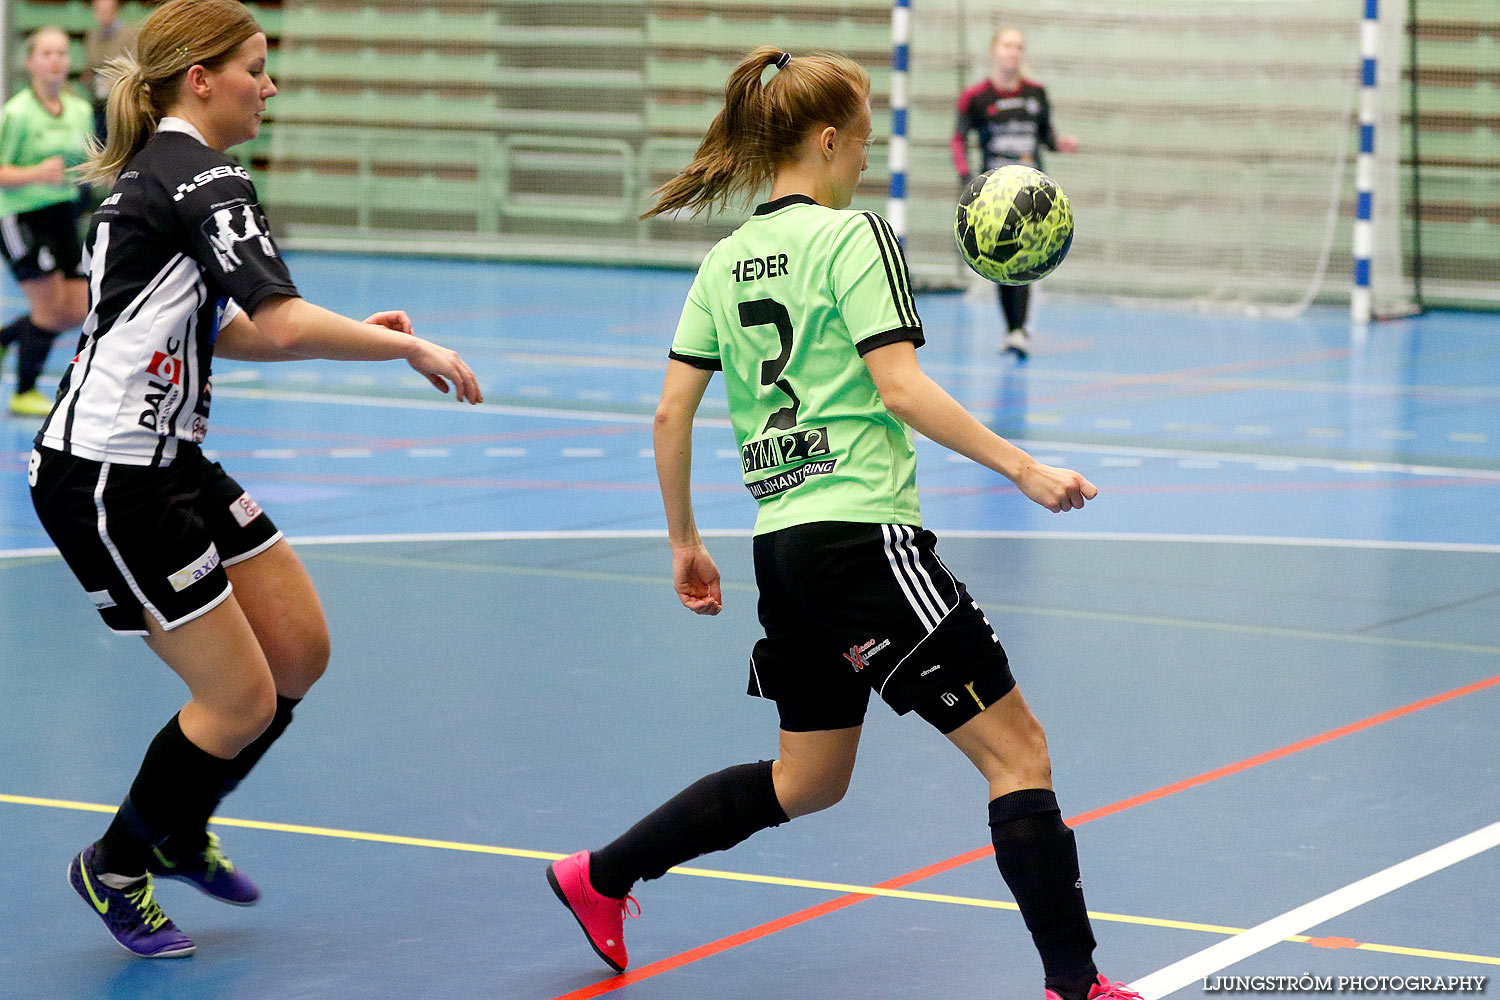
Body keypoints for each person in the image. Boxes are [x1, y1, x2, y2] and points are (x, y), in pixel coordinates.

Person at [546, 46, 1135, 1000]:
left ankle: (598, 876)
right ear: (826, 139)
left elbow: (670, 414)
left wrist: (684, 540)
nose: (866, 155)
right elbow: (896, 386)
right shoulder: (855, 236)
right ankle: (1079, 986)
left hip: (782, 547)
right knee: (1018, 753)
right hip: (864, 541)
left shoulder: (724, 260)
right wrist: (1024, 467)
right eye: (862, 137)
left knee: (807, 782)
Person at [29, 0, 482, 959]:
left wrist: (359, 337)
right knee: (237, 702)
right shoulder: (203, 175)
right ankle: (114, 864)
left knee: (299, 655)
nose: (268, 86)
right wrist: (410, 350)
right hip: (110, 476)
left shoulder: (169, 176)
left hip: (173, 458)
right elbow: (279, 320)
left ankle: (181, 825)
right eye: (256, 68)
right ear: (202, 79)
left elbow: (223, 331)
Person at [953, 28, 1079, 359]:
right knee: (998, 258)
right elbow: (958, 140)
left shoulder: (1036, 94)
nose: (1014, 52)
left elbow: (1046, 136)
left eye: (1019, 46)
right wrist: (965, 177)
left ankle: (1018, 330)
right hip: (993, 198)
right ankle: (1014, 329)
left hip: (1032, 195)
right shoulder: (976, 97)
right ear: (994, 50)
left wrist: (1060, 143)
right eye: (1008, 45)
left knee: (1027, 256)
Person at [0, 27, 93, 416]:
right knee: (50, 309)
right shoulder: (17, 114)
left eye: (62, 53)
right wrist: (36, 172)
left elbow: (84, 163)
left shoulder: (80, 110)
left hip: (64, 215)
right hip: (21, 215)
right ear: (31, 62)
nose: (56, 60)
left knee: (79, 308)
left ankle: (6, 338)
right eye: (47, 53)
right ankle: (23, 392)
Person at [83, 0, 140, 142]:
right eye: (99, 11)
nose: (102, 15)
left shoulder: (130, 34)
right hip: (98, 100)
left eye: (106, 11)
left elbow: (133, 66)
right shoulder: (92, 35)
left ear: (115, 10)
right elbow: (90, 64)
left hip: (121, 99)